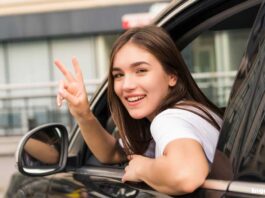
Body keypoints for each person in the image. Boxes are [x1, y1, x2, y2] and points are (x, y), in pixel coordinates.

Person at [55, 25, 223, 195]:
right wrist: (82, 113)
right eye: (118, 75)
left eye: (141, 71)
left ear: (172, 76)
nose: (127, 85)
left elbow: (185, 175)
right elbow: (113, 154)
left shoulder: (170, 119)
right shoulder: (190, 113)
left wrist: (143, 168)